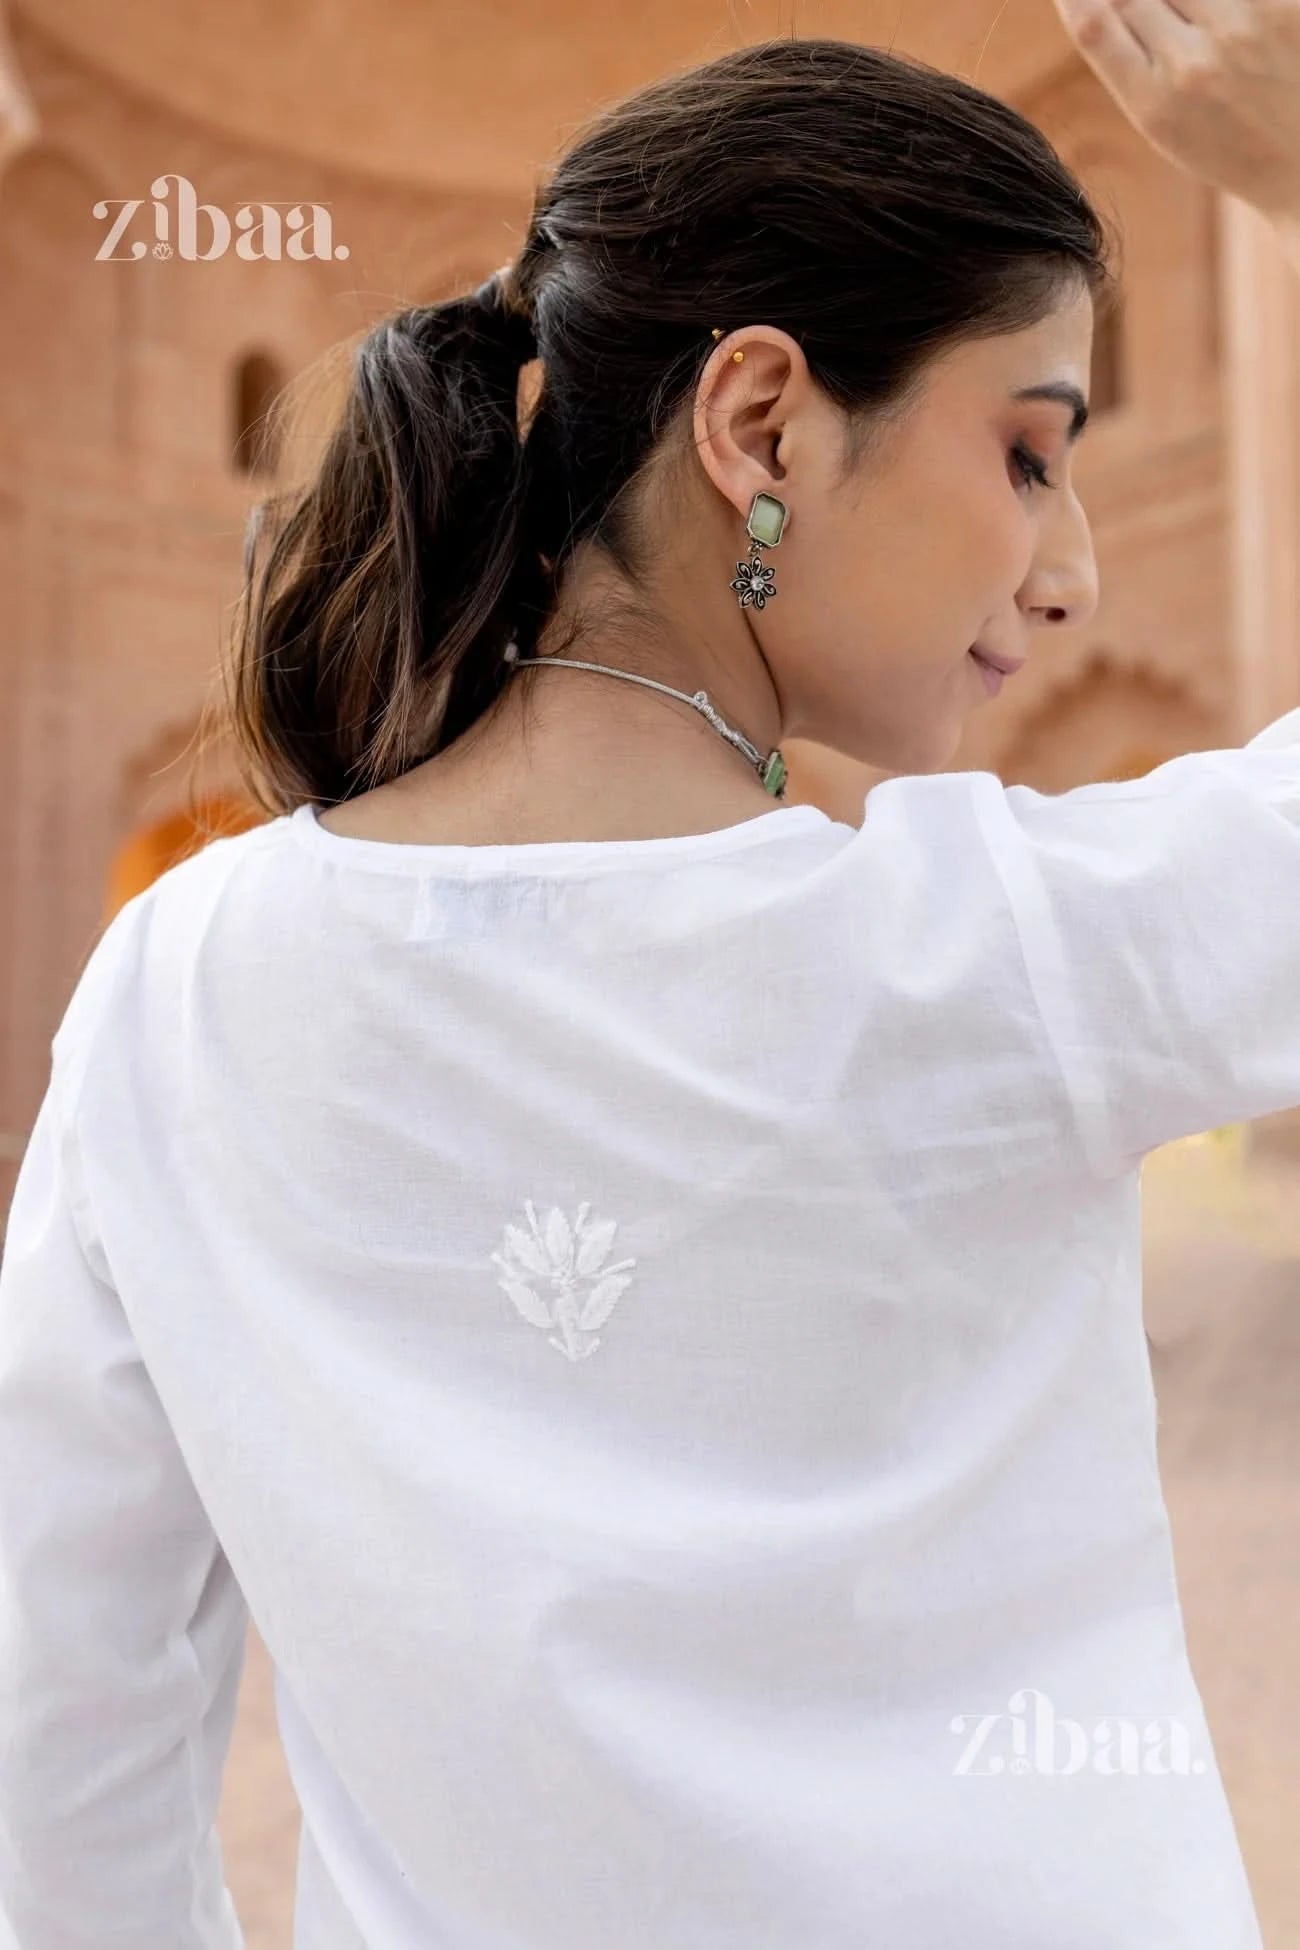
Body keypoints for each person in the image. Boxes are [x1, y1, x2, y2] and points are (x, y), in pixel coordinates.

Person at [1, 13, 1298, 1948]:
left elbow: (64, 1745)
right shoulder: (1009, 955)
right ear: (761, 423)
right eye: (1029, 455)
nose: (1068, 573)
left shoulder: (179, 987)